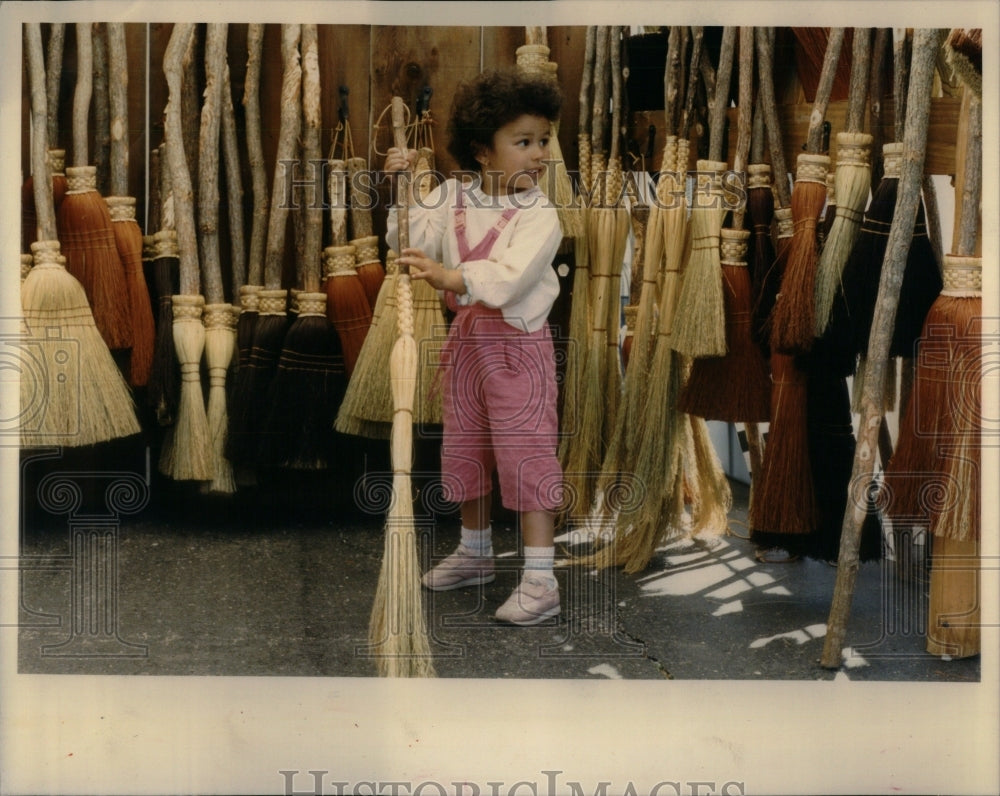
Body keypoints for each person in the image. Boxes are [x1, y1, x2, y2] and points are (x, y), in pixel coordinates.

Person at [384, 69, 565, 626]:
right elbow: (409, 244)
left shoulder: (541, 215)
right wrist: (405, 191)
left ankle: (540, 578)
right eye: (524, 142)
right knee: (466, 446)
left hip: (517, 351)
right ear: (483, 152)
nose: (538, 154)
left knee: (526, 452)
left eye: (542, 141)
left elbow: (507, 280)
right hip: (466, 347)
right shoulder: (451, 196)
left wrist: (448, 276)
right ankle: (476, 551)